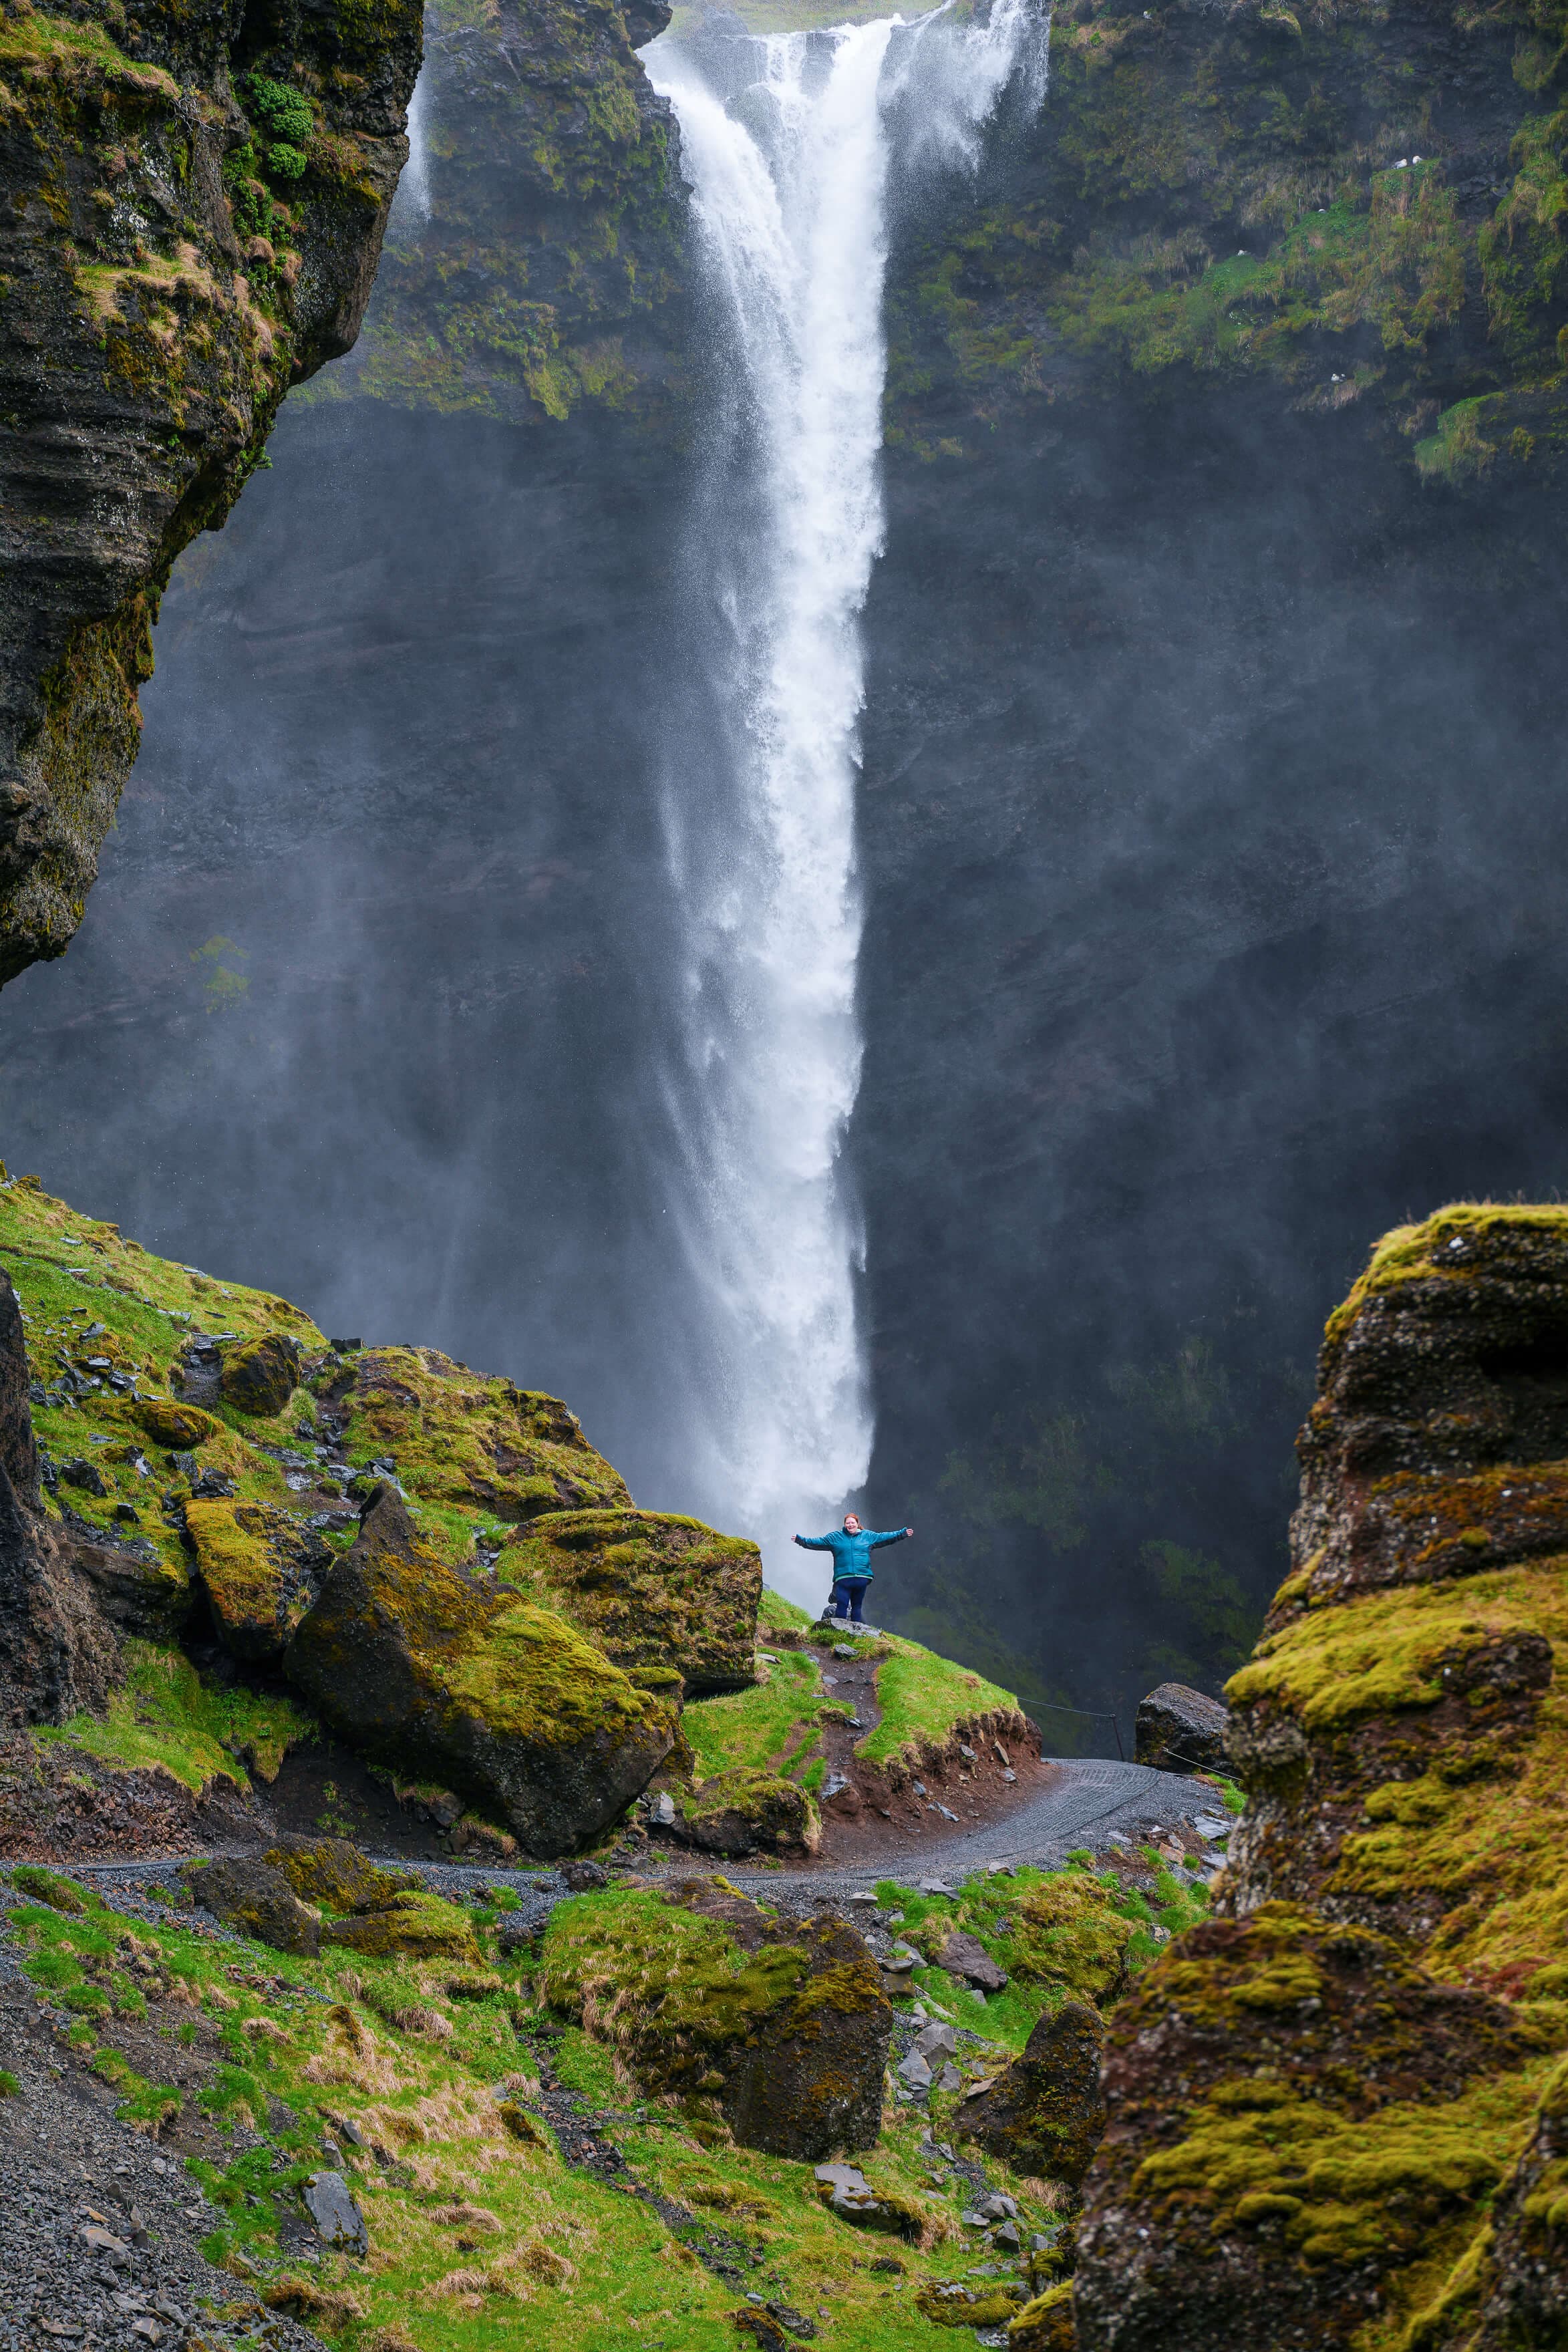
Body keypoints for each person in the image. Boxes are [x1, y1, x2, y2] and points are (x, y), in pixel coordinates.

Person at [793, 1511, 913, 1625]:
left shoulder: (868, 1536)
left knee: (857, 1606)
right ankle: (840, 1631)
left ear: (857, 1523)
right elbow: (818, 1542)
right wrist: (801, 1540)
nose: (850, 1525)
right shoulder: (836, 1537)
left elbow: (885, 1537)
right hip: (843, 1577)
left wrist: (902, 1534)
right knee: (842, 1605)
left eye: (852, 1522)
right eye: (848, 1523)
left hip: (861, 1577)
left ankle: (856, 1631)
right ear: (845, 1525)